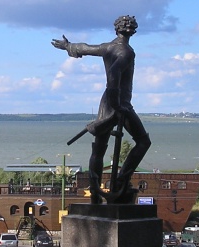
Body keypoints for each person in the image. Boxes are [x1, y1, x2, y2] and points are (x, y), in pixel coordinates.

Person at [52, 14, 151, 204]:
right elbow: (114, 72)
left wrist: (68, 46)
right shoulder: (127, 52)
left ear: (117, 29)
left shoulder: (109, 47)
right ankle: (122, 180)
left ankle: (96, 195)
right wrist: (118, 106)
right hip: (119, 103)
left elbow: (86, 48)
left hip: (107, 102)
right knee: (143, 141)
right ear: (133, 30)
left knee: (99, 148)